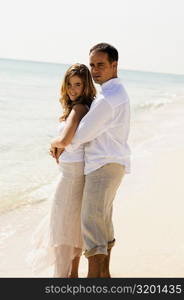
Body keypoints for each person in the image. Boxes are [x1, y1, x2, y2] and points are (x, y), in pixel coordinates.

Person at [51, 43, 131, 277]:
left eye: (101, 65)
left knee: (93, 229)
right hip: (110, 164)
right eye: (92, 65)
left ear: (114, 65)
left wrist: (56, 143)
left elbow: (80, 136)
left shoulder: (107, 98)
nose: (95, 70)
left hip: (103, 167)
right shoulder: (114, 93)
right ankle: (103, 278)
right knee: (102, 227)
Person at [28, 63, 96, 277]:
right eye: (69, 84)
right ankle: (72, 277)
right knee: (70, 232)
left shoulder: (79, 109)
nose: (73, 89)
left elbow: (65, 139)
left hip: (70, 179)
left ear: (86, 86)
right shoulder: (83, 108)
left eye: (78, 84)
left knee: (61, 233)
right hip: (74, 176)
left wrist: (54, 143)